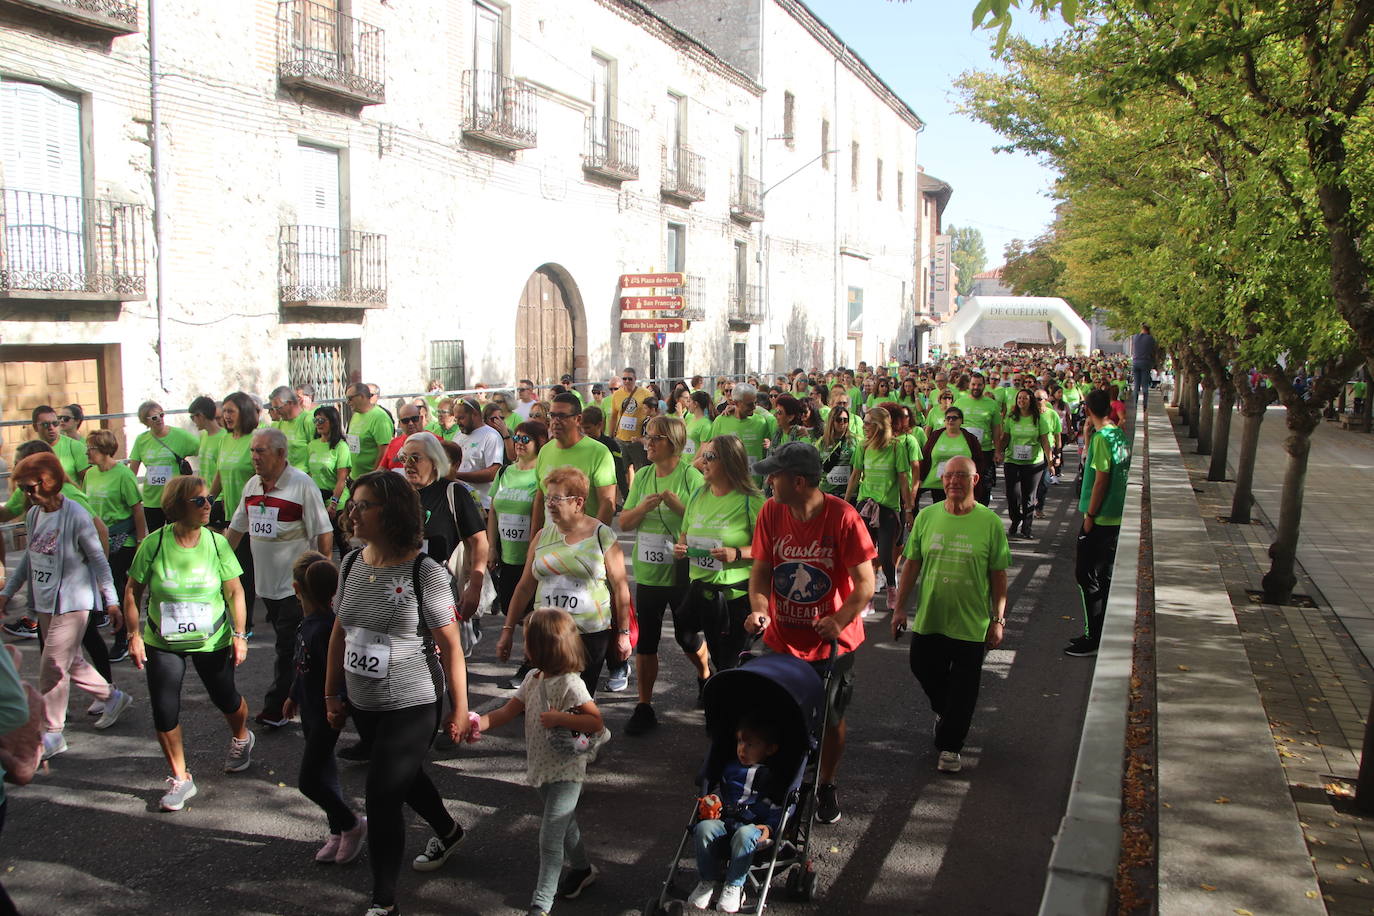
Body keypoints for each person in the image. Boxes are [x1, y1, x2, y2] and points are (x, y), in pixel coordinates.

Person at [324, 471, 470, 916]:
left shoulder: (425, 573)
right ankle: (448, 830)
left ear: (391, 512)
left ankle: (383, 902)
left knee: (382, 794)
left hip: (413, 704)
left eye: (362, 505)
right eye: (352, 504)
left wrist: (460, 709)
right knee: (402, 778)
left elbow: (450, 646)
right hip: (364, 703)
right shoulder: (350, 563)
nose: (352, 512)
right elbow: (338, 633)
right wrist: (332, 694)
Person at [745, 441, 875, 825]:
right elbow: (762, 571)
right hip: (781, 637)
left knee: (831, 719)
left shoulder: (844, 518)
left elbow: (865, 584)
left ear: (798, 481)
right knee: (777, 714)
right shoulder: (771, 511)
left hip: (832, 643)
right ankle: (781, 779)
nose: (769, 481)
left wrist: (840, 619)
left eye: (775, 475)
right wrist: (757, 608)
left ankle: (827, 783)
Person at [124, 475, 254, 810]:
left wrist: (239, 635)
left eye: (208, 499)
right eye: (199, 501)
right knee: (164, 709)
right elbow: (132, 591)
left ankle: (242, 736)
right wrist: (134, 634)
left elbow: (235, 591)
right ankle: (181, 778)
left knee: (226, 699)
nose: (208, 505)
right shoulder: (153, 544)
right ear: (178, 505)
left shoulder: (216, 543)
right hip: (163, 640)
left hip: (211, 639)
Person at [471, 607, 608, 916]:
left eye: (527, 641)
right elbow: (506, 711)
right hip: (542, 766)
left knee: (550, 837)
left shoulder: (571, 684)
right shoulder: (534, 677)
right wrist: (475, 723)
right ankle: (584, 870)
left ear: (542, 647)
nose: (524, 647)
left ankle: (541, 902)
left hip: (566, 770)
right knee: (564, 824)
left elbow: (596, 722)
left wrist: (560, 717)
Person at [0, 453, 130, 760]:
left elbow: (99, 560)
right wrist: (7, 592)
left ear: (49, 482)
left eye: (30, 487)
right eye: (22, 489)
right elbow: (31, 560)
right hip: (45, 602)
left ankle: (52, 733)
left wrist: (111, 601)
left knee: (51, 667)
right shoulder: (33, 516)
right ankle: (112, 697)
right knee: (69, 661)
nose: (26, 495)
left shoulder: (75, 515)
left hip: (74, 601)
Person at [892, 456, 1010, 774]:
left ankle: (950, 745)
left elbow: (999, 575)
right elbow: (911, 564)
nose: (953, 481)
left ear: (975, 481)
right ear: (941, 480)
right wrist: (900, 607)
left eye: (961, 476)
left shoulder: (989, 522)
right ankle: (950, 715)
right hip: (932, 617)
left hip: (972, 623)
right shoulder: (928, 517)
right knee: (922, 666)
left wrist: (998, 619)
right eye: (948, 475)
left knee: (965, 688)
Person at [226, 427, 332, 728]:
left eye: (261, 451)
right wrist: (215, 561)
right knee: (297, 645)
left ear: (281, 454)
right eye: (252, 451)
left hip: (295, 587)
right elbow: (235, 530)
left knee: (287, 647)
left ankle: (277, 708)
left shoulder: (301, 485)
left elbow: (324, 532)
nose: (255, 457)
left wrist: (320, 580)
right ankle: (324, 689)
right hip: (266, 587)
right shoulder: (251, 486)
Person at [496, 467, 634, 697]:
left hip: (588, 633)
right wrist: (508, 630)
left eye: (557, 498)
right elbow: (524, 587)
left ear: (578, 502)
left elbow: (620, 587)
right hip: (546, 632)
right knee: (545, 698)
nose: (549, 503)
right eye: (548, 497)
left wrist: (623, 633)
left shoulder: (602, 535)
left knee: (578, 701)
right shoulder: (542, 536)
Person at [617, 416, 704, 735]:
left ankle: (704, 673)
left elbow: (702, 522)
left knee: (686, 637)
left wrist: (677, 505)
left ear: (673, 442)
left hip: (682, 571)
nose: (647, 443)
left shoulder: (691, 476)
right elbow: (625, 522)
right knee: (648, 642)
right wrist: (643, 508)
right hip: (649, 570)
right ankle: (644, 705)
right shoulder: (642, 476)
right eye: (647, 437)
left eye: (655, 438)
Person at [282, 552, 367, 864]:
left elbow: (337, 672)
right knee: (325, 771)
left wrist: (338, 705)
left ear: (296, 589)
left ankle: (351, 823)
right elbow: (302, 665)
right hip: (309, 710)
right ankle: (337, 829)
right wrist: (293, 694)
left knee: (308, 781)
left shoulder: (324, 630)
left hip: (325, 716)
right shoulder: (308, 624)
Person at [673, 436, 762, 691]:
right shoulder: (699, 494)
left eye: (711, 457)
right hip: (702, 589)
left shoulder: (750, 499)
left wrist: (737, 552)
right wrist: (681, 548)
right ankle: (706, 676)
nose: (702, 461)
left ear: (730, 461)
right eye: (703, 455)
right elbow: (685, 533)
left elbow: (768, 549)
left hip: (736, 594)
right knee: (686, 636)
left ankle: (728, 719)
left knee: (728, 662)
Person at [687, 715, 784, 914]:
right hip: (725, 820)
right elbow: (720, 789)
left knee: (744, 834)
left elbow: (778, 805)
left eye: (750, 745)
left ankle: (734, 885)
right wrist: (713, 799)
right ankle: (707, 880)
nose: (742, 749)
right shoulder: (730, 768)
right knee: (704, 827)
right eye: (740, 742)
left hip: (754, 828)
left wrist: (769, 826)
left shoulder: (772, 776)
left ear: (769, 749)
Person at [1065, 390, 1131, 657]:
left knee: (1087, 575)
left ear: (1089, 409)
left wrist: (1090, 516)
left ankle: (1094, 637)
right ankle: (1098, 631)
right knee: (1102, 576)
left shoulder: (1104, 438)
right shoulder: (1116, 433)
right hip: (1114, 514)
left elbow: (1101, 479)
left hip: (1102, 517)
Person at [397, 432, 488, 620]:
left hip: (442, 589)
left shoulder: (453, 492)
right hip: (402, 587)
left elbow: (479, 541)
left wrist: (474, 587)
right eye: (404, 458)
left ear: (434, 460)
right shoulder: (397, 495)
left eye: (415, 458)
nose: (408, 464)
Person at [489, 420, 548, 689]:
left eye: (526, 439)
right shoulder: (505, 473)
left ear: (539, 443)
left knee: (531, 612)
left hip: (531, 553)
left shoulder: (541, 473)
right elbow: (493, 511)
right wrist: (492, 547)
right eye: (516, 438)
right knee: (511, 608)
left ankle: (530, 663)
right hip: (507, 554)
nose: (519, 443)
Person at [83, 429, 147, 663]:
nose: (86, 453)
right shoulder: (90, 475)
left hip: (122, 539)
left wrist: (141, 541)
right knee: (101, 585)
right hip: (98, 539)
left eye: (90, 448)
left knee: (115, 586)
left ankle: (124, 638)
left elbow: (137, 508)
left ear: (103, 449)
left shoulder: (123, 474)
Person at [843, 406, 910, 610]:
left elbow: (903, 478)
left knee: (885, 555)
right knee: (867, 554)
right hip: (866, 505)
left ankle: (891, 588)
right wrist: (847, 503)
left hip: (888, 507)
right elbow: (855, 475)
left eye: (868, 423)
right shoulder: (863, 447)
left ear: (879, 426)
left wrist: (908, 507)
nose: (864, 427)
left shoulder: (897, 447)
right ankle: (868, 598)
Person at [209, 392, 260, 632]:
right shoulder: (224, 440)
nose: (225, 416)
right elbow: (220, 473)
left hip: (254, 515)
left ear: (245, 412)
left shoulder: (255, 439)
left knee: (245, 570)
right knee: (234, 567)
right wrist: (209, 498)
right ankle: (240, 617)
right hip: (231, 512)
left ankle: (245, 623)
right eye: (224, 411)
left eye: (231, 411)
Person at [531, 394, 617, 533]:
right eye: (552, 416)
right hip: (550, 545)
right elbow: (540, 500)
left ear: (578, 419)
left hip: (583, 543)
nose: (555, 421)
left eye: (562, 416)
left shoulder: (599, 452)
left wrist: (592, 541)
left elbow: (607, 504)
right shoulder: (545, 451)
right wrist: (534, 541)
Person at [127, 401, 199, 530]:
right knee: (156, 538)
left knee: (177, 535)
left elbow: (203, 450)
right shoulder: (141, 440)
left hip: (175, 498)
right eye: (154, 417)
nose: (159, 419)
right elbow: (132, 471)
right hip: (152, 500)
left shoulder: (180, 435)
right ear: (146, 421)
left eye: (161, 415)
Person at [1000, 389, 1055, 540]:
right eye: (1019, 398)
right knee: (1012, 495)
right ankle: (1016, 518)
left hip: (1033, 463)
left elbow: (1045, 441)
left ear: (1030, 400)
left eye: (1025, 398)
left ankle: (1027, 527)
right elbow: (1005, 437)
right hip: (1012, 461)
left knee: (1028, 496)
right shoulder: (1011, 418)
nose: (1021, 400)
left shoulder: (1039, 419)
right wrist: (998, 451)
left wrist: (1050, 462)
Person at [915, 407, 983, 510]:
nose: (951, 420)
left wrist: (975, 481)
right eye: (948, 418)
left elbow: (978, 461)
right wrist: (920, 477)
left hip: (961, 484)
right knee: (940, 511)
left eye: (954, 418)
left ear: (961, 421)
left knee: (958, 510)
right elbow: (926, 457)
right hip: (937, 483)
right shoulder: (936, 435)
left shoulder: (970, 438)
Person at [307, 405, 353, 547]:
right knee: (321, 545)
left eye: (322, 420)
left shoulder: (341, 447)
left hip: (336, 503)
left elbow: (341, 479)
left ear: (332, 422)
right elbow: (309, 473)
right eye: (316, 421)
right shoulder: (312, 445)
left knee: (342, 543)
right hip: (317, 500)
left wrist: (333, 504)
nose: (318, 424)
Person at [952, 374, 1003, 504]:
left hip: (984, 451)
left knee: (984, 486)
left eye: (979, 385)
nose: (976, 387)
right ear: (969, 385)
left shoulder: (992, 404)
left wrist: (998, 451)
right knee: (963, 483)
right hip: (963, 451)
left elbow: (996, 429)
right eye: (973, 384)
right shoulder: (959, 402)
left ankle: (982, 514)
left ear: (984, 386)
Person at [451, 397, 506, 510]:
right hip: (460, 503)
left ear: (475, 414)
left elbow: (493, 472)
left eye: (461, 418)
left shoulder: (491, 436)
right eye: (456, 419)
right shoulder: (458, 435)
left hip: (482, 505)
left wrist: (456, 475)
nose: (458, 423)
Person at [579, 406, 628, 507]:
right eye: (582, 427)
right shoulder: (580, 443)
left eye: (588, 427)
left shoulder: (611, 445)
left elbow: (619, 471)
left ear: (599, 425)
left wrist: (626, 497)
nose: (585, 431)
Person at [188, 396, 227, 523]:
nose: (193, 421)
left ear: (200, 415)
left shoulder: (225, 437)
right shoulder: (203, 435)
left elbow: (224, 472)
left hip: (218, 499)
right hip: (204, 497)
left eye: (192, 417)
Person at [709, 384, 771, 463]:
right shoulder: (720, 421)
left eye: (755, 403)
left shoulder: (761, 422)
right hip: (729, 474)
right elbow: (712, 449)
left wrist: (769, 444)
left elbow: (770, 445)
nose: (754, 407)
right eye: (749, 404)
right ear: (736, 403)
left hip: (754, 474)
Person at [345, 382, 397, 477]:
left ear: (361, 396)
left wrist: (373, 476)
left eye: (350, 398)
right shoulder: (356, 415)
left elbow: (384, 451)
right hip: (355, 477)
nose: (348, 402)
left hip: (371, 479)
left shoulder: (380, 418)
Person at [31, 405, 89, 484]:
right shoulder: (30, 450)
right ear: (35, 427)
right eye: (45, 424)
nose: (51, 427)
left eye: (55, 423)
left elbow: (89, 482)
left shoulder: (75, 446)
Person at [610, 367, 652, 471]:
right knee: (620, 470)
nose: (627, 381)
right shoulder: (617, 395)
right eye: (624, 379)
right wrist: (610, 435)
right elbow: (614, 416)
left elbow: (653, 413)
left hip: (637, 440)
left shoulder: (645, 393)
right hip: (621, 439)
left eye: (630, 379)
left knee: (641, 470)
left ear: (635, 379)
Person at [817, 404, 856, 499]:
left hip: (847, 493)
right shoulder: (821, 442)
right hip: (827, 492)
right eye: (839, 420)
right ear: (832, 421)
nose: (842, 422)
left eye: (845, 420)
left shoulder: (855, 441)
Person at [270, 385, 313, 470]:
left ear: (290, 403)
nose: (276, 412)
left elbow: (317, 450)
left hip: (304, 477)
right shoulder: (280, 423)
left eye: (278, 408)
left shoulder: (307, 420)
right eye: (273, 409)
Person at [1129, 323, 1157, 409]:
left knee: (1136, 384)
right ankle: (1145, 405)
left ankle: (1135, 404)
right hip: (1146, 362)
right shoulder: (1151, 339)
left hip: (1135, 362)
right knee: (1145, 385)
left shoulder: (1135, 337)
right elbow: (1153, 352)